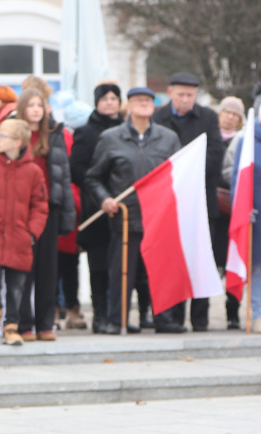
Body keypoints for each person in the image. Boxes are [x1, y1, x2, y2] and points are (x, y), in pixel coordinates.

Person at [85, 87, 181, 334]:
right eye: (138, 100)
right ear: (128, 106)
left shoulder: (168, 138)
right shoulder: (111, 138)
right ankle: (118, 320)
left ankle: (163, 318)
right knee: (122, 271)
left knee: (160, 270)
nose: (143, 104)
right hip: (125, 218)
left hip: (159, 217)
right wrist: (105, 199)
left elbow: (178, 175)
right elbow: (94, 177)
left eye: (148, 100)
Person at [152, 72, 224, 332]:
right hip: (170, 201)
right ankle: (172, 318)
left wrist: (189, 168)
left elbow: (216, 153)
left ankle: (201, 318)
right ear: (170, 93)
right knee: (172, 259)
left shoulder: (207, 117)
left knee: (201, 257)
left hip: (201, 201)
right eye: (181, 94)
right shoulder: (157, 117)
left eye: (190, 95)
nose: (185, 100)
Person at [0, 118, 49, 346]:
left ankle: (12, 327)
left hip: (20, 237)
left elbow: (40, 205)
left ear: (17, 142)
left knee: (17, 287)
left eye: (3, 136)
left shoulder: (33, 171)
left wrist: (31, 232)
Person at [14, 86, 75, 341]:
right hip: (21, 211)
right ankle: (24, 325)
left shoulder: (55, 133)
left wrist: (67, 211)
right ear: (23, 109)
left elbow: (64, 174)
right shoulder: (14, 134)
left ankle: (46, 324)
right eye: (31, 105)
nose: (36, 110)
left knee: (48, 269)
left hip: (49, 208)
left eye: (40, 105)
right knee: (23, 268)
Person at [71, 83, 125, 333]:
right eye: (105, 98)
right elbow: (78, 168)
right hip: (97, 207)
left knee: (123, 264)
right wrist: (101, 191)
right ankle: (100, 315)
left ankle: (120, 315)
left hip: (126, 204)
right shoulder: (85, 132)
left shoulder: (128, 129)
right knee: (99, 265)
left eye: (114, 98)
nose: (110, 102)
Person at [228, 86, 261, 332]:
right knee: (258, 267)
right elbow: (237, 182)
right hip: (255, 215)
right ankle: (257, 313)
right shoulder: (247, 141)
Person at [215, 95, 246, 329]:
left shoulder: (244, 141)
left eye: (235, 114)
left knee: (233, 260)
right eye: (227, 112)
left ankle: (232, 313)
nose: (230, 117)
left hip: (235, 209)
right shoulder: (208, 137)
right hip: (211, 211)